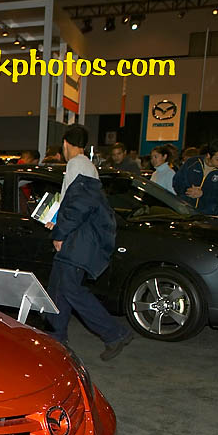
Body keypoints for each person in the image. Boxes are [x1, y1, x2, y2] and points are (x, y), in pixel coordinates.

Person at [46, 124, 133, 360]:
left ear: (65, 143)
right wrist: (58, 223)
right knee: (58, 287)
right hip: (80, 237)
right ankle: (56, 335)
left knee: (70, 289)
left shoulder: (77, 165)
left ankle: (114, 333)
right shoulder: (87, 166)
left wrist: (60, 233)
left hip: (78, 240)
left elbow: (77, 206)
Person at [172, 139, 218, 216]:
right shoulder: (192, 163)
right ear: (208, 155)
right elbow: (177, 182)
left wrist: (203, 194)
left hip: (210, 215)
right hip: (185, 213)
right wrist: (187, 191)